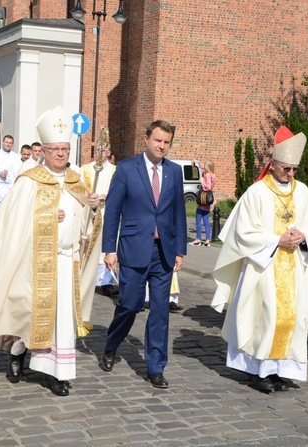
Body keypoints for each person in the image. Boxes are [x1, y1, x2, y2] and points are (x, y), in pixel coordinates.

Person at [0, 106, 101, 397]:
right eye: (55, 149)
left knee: (61, 320)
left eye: (64, 149)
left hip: (67, 261)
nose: (61, 154)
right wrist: (46, 216)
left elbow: (85, 223)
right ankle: (17, 353)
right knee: (30, 314)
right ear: (43, 152)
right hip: (34, 263)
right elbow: (13, 223)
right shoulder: (29, 181)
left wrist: (94, 207)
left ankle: (58, 373)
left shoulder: (77, 180)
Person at [211, 126, 308, 392]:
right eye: (286, 168)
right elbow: (243, 233)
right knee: (265, 317)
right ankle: (258, 371)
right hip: (264, 267)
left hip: (294, 267)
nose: (291, 174)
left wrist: (302, 236)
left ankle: (279, 370)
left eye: (295, 169)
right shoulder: (257, 193)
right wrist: (276, 241)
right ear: (272, 165)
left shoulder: (303, 192)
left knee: (292, 319)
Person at [100, 120, 187, 389]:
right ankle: (112, 344)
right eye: (158, 140)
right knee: (130, 305)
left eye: (167, 142)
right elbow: (113, 212)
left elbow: (179, 214)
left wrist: (180, 250)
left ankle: (156, 366)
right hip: (134, 249)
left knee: (160, 310)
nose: (162, 146)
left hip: (163, 252)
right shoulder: (126, 169)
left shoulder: (174, 172)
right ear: (146, 139)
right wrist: (109, 249)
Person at [80, 143, 118, 303]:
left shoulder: (115, 170)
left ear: (109, 153)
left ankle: (106, 281)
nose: (101, 153)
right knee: (89, 244)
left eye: (104, 151)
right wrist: (89, 196)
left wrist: (107, 196)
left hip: (108, 211)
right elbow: (80, 187)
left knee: (107, 246)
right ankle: (87, 277)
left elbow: (119, 190)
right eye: (98, 150)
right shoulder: (86, 169)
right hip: (90, 211)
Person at [189, 160, 217, 246]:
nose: (203, 167)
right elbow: (201, 167)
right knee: (206, 221)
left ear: (208, 167)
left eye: (205, 166)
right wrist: (197, 162)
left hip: (203, 201)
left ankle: (198, 239)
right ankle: (207, 240)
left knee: (198, 220)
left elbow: (207, 187)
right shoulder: (213, 175)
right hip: (208, 202)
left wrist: (202, 181)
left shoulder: (207, 175)